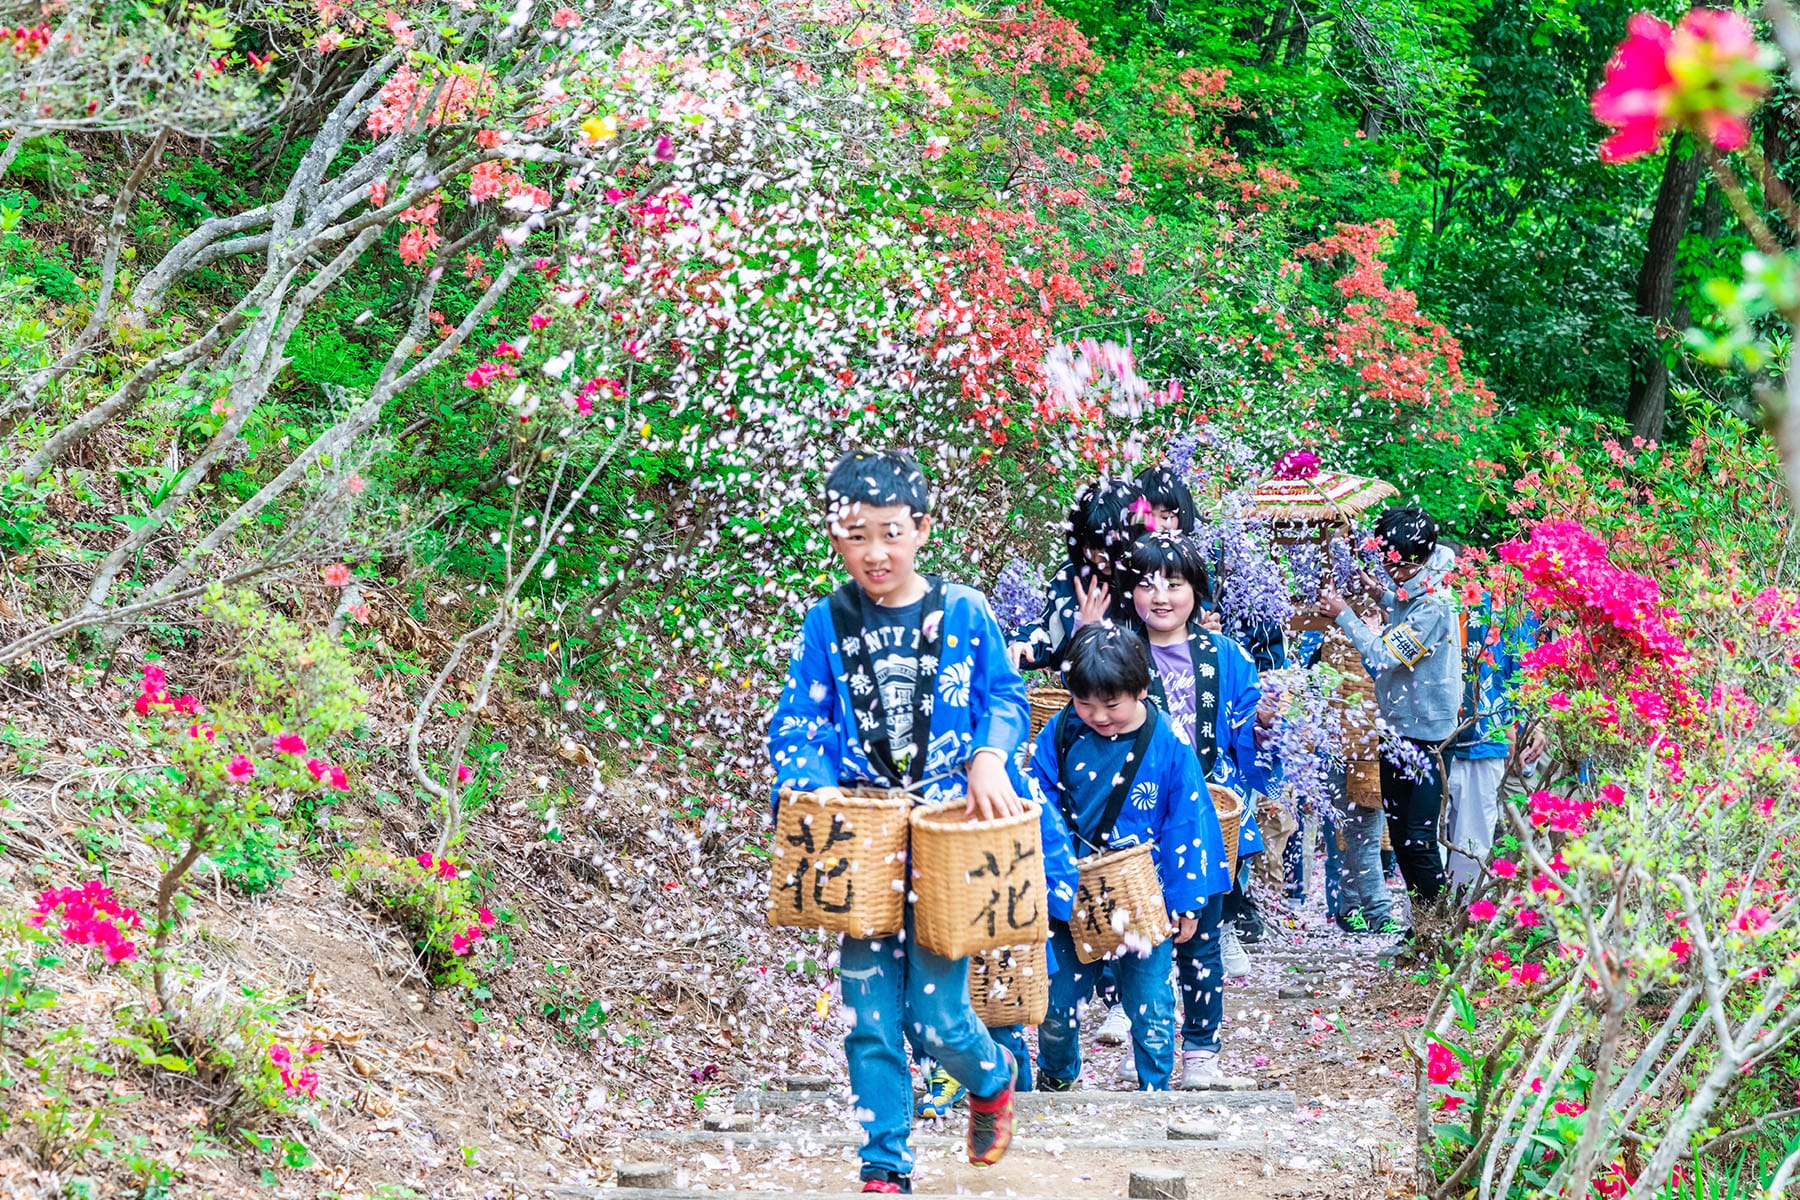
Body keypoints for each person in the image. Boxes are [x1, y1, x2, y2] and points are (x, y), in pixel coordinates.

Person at [767, 449, 1077, 1191]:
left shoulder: (964, 610)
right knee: (870, 1018)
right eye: (856, 534)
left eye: (890, 532)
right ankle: (884, 1165)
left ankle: (992, 1074)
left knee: (936, 1016)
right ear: (835, 536)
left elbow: (1003, 698)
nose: (875, 551)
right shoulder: (826, 622)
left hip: (948, 838)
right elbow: (797, 722)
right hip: (862, 844)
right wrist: (810, 789)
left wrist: (989, 758)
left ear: (921, 530)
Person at [1027, 623, 1228, 1091]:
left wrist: (1187, 901)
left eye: (1111, 704)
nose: (1098, 715)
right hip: (1071, 889)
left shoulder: (1168, 743)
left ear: (1140, 689)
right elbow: (1040, 801)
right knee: (1057, 1000)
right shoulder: (1060, 732)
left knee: (1150, 999)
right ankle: (1057, 1078)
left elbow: (1186, 824)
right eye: (1085, 702)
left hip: (1145, 893)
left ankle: (1153, 1089)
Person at [1125, 533, 1271, 1085]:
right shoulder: (1120, 651)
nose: (1159, 596)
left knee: (1203, 936)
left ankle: (1203, 1050)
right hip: (1136, 816)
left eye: (1174, 583)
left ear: (1198, 592)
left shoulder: (1225, 656)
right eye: (1144, 583)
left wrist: (1265, 722)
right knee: (1139, 935)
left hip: (1207, 813)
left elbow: (1247, 728)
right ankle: (1148, 1043)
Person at [1320, 507, 1460, 909]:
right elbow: (1401, 604)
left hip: (1427, 737)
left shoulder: (1437, 604)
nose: (1389, 571)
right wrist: (1375, 591)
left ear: (1418, 557)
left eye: (1394, 565)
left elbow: (1384, 655)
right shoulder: (1416, 587)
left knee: (1417, 839)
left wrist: (1343, 614)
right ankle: (1422, 928)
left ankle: (1440, 930)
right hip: (1397, 728)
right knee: (1399, 837)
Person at [1446, 594, 1543, 893]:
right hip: (1433, 738)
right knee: (1427, 845)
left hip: (1482, 740)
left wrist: (1522, 726)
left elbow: (1522, 675)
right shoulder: (1420, 600)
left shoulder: (1507, 608)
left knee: (1472, 846)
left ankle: (1458, 925)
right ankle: (1428, 924)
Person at [1009, 478, 1145, 671]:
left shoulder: (1157, 574)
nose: (1099, 559)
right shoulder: (1072, 576)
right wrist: (1022, 644)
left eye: (1109, 548)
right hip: (1089, 694)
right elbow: (1050, 631)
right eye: (1091, 547)